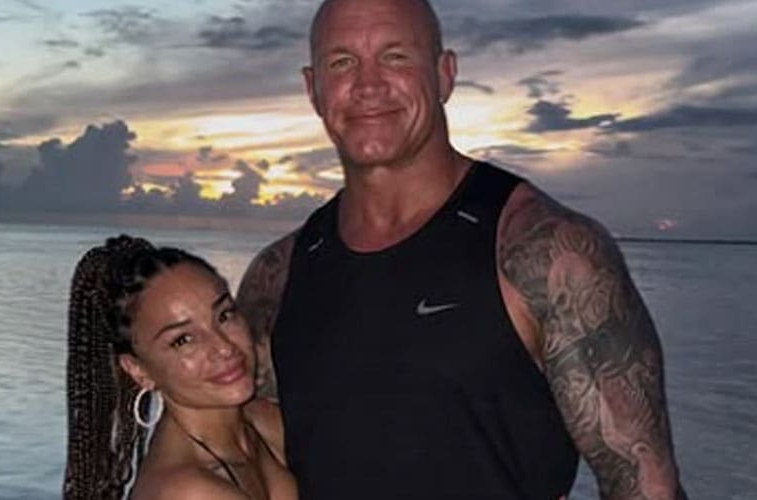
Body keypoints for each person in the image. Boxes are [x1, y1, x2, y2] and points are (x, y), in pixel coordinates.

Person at [237, 0, 686, 498]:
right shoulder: (276, 277)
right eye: (341, 62)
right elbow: (235, 451)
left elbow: (644, 485)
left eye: (395, 56)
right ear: (313, 88)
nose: (368, 85)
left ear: (445, 74)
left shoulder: (547, 254)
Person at [63, 235, 296, 500]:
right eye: (183, 340)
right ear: (139, 371)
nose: (224, 347)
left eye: (224, 315)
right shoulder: (186, 491)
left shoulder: (263, 420)